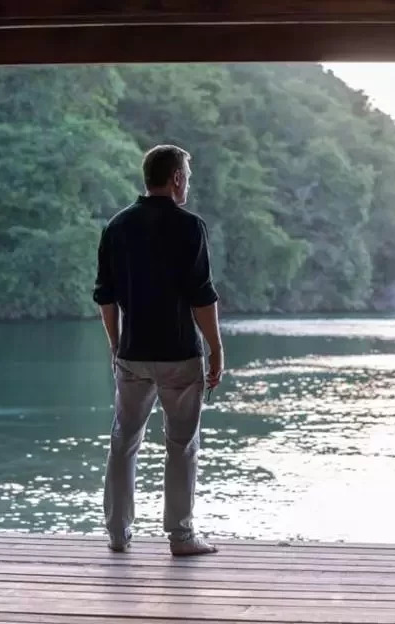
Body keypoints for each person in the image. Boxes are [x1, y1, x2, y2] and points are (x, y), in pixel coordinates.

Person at [92, 144, 224, 556]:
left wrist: (116, 344)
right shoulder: (190, 227)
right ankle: (181, 536)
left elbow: (105, 297)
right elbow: (201, 296)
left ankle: (117, 533)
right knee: (182, 445)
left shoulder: (117, 226)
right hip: (180, 354)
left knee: (123, 440)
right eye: (187, 175)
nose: (188, 182)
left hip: (133, 353)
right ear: (177, 178)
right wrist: (216, 348)